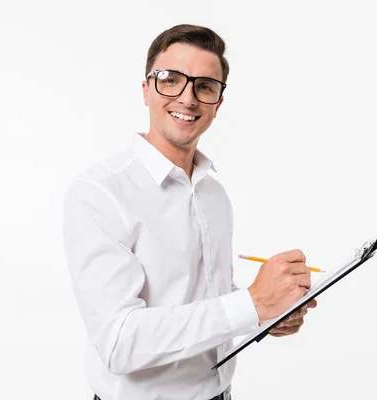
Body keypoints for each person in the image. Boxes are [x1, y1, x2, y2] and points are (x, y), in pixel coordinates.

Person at [62, 23, 317, 400]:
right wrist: (252, 303)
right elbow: (118, 342)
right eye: (170, 79)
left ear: (218, 103)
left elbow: (203, 298)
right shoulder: (99, 193)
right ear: (146, 89)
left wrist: (267, 312)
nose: (188, 98)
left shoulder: (213, 193)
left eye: (205, 86)